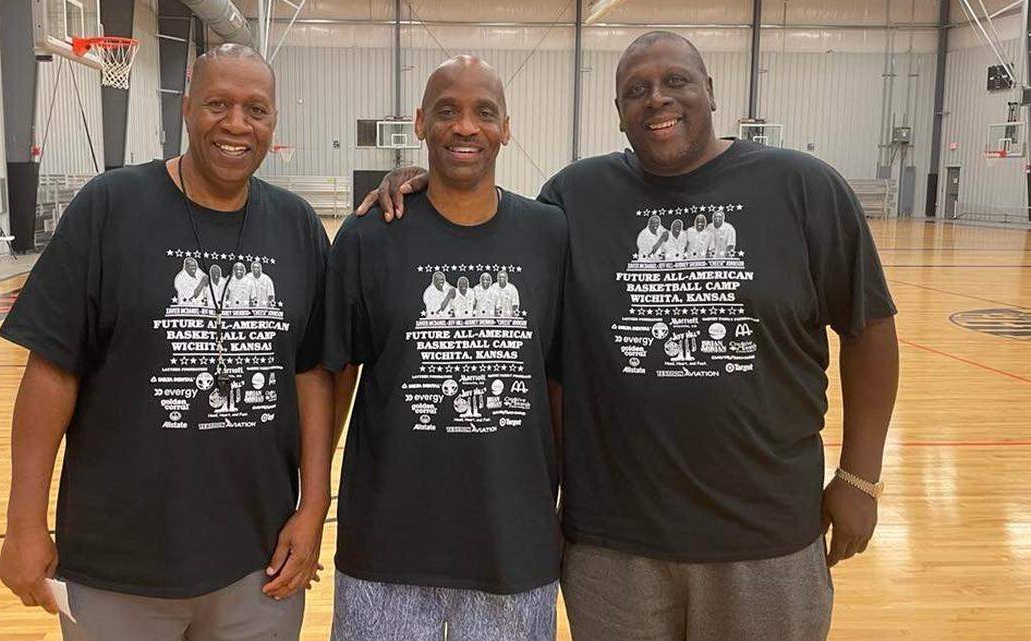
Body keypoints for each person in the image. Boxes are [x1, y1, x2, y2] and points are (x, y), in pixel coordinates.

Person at [357, 30, 899, 641]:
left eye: (676, 82)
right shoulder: (576, 197)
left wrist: (859, 477)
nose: (657, 100)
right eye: (636, 91)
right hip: (612, 549)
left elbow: (870, 328)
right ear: (618, 113)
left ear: (710, 92)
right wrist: (418, 179)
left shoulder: (804, 187)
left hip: (766, 538)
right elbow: (490, 225)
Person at [0, 44, 333, 641]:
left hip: (258, 563)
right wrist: (24, 522)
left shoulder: (298, 226)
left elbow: (311, 376)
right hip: (117, 565)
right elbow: (51, 372)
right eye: (218, 104)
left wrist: (313, 508)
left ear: (274, 121)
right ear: (186, 109)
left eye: (256, 109)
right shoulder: (110, 207)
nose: (236, 124)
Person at [325, 55, 566, 641]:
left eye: (484, 112)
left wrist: (566, 509)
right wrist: (312, 504)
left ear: (506, 127)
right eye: (446, 111)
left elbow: (558, 381)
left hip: (514, 551)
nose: (465, 126)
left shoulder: (550, 234)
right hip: (386, 552)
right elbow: (333, 379)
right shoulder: (366, 237)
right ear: (419, 124)